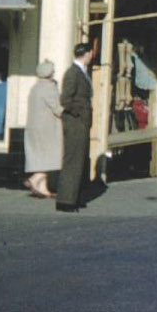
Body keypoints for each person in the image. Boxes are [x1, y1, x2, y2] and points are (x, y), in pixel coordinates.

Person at [56, 42, 95, 213]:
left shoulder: (81, 72)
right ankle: (65, 201)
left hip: (81, 122)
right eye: (91, 53)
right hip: (74, 122)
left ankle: (75, 197)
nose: (92, 56)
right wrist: (80, 112)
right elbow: (65, 100)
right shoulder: (73, 73)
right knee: (73, 160)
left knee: (79, 160)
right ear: (86, 54)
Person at [24, 60, 62, 199]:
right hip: (47, 128)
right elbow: (57, 109)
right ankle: (35, 178)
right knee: (50, 155)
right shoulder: (50, 87)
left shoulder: (35, 87)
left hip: (34, 128)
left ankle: (43, 188)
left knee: (40, 156)